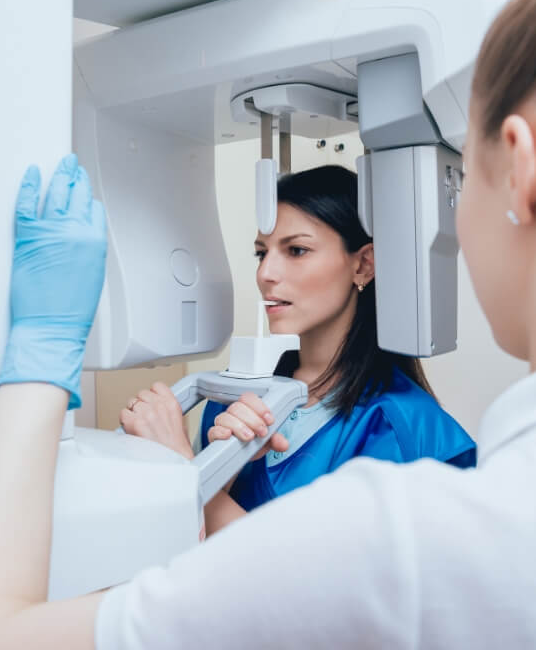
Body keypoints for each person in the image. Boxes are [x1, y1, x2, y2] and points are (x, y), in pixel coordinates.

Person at [0, 0, 536, 648]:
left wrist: (41, 360)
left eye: (462, 178)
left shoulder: (404, 540)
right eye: (261, 250)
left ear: (522, 168)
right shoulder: (264, 408)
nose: (267, 273)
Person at [118, 166, 475, 536]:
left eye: (296, 250)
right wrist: (220, 472)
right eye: (261, 253)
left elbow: (320, 587)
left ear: (364, 264)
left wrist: (183, 471)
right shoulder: (234, 398)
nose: (266, 274)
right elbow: (186, 552)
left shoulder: (400, 426)